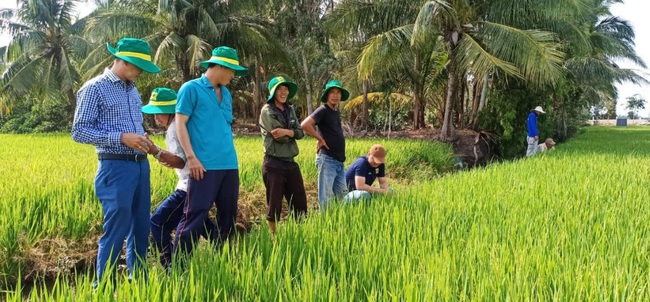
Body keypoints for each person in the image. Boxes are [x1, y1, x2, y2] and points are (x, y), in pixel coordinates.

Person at [71, 37, 161, 286]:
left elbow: (133, 126)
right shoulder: (94, 88)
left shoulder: (132, 90)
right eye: (138, 66)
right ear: (122, 61)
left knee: (141, 229)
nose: (141, 72)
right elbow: (79, 131)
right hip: (115, 167)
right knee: (116, 229)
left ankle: (139, 283)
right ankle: (104, 287)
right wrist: (121, 137)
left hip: (141, 165)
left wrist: (141, 139)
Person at [173, 46, 248, 257]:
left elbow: (223, 125)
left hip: (229, 164)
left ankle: (221, 261)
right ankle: (179, 268)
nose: (233, 76)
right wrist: (191, 157)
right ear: (221, 66)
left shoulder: (226, 93)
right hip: (204, 165)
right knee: (194, 216)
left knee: (228, 217)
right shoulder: (191, 88)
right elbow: (180, 124)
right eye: (232, 70)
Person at [141, 87, 217, 269]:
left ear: (169, 112)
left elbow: (180, 161)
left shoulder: (174, 129)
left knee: (158, 222)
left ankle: (170, 266)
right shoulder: (188, 123)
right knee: (202, 223)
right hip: (204, 182)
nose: (156, 118)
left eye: (158, 113)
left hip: (188, 185)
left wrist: (155, 151)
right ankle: (228, 253)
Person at [259, 76, 308, 235]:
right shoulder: (268, 110)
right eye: (279, 89)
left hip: (290, 162)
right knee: (275, 204)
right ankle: (274, 239)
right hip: (274, 163)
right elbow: (278, 137)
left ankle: (301, 235)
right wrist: (292, 133)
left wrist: (288, 131)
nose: (283, 92)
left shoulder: (290, 109)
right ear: (273, 92)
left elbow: (300, 133)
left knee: (300, 202)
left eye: (286, 89)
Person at [301, 80, 350, 210]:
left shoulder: (335, 111)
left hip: (339, 161)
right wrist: (320, 139)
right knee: (326, 199)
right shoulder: (323, 110)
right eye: (332, 92)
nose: (335, 95)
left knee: (342, 196)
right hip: (327, 159)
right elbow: (305, 125)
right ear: (327, 95)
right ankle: (324, 223)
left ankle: (339, 223)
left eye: (338, 92)